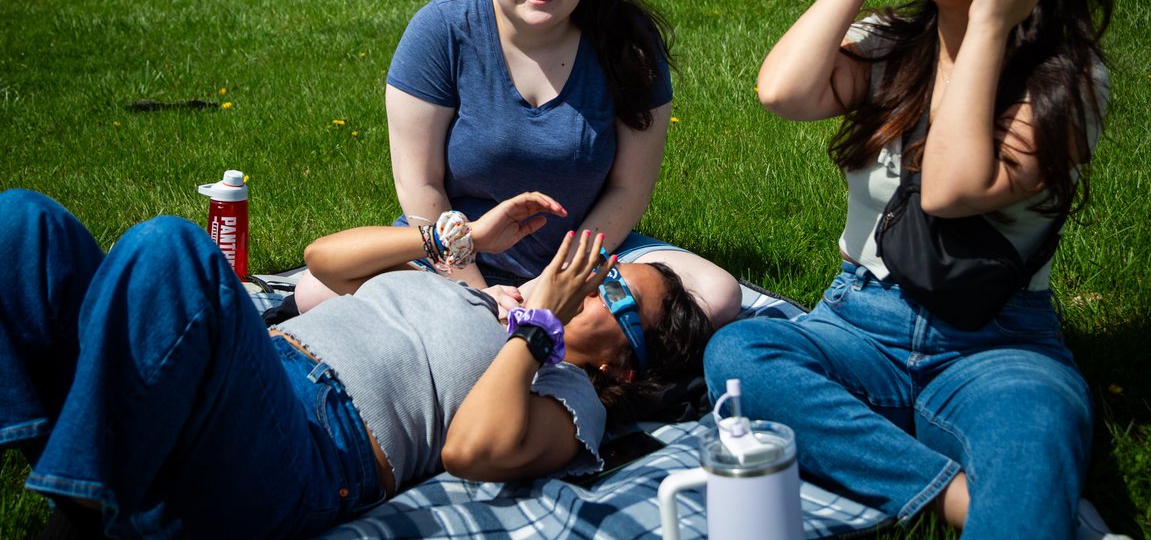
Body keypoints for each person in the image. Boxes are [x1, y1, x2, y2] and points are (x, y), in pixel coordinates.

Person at [704, 0, 1114, 538]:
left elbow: (952, 192)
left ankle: (902, 458)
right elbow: (782, 91)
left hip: (997, 346)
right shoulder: (892, 48)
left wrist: (986, 25)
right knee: (740, 356)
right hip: (858, 323)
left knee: (1040, 421)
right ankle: (956, 495)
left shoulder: (1067, 81)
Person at [0, 188, 712, 539]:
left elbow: (472, 449)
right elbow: (323, 259)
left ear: (623, 368)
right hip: (245, 376)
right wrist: (448, 240)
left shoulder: (569, 394)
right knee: (24, 224)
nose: (593, 277)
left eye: (613, 292)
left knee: (171, 249)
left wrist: (539, 327)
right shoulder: (482, 297)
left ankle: (83, 502)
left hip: (304, 447)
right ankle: (85, 477)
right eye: (609, 267)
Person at [293, 0, 742, 326]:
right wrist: (476, 291)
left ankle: (504, 333)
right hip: (455, 252)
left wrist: (556, 282)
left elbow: (630, 189)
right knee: (315, 291)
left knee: (716, 295)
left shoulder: (629, 43)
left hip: (584, 253)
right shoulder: (441, 31)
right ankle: (545, 335)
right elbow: (420, 185)